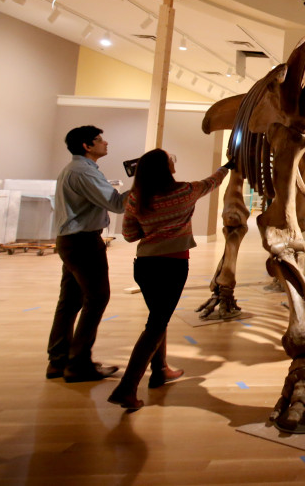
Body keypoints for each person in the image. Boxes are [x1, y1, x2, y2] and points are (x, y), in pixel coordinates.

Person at [108, 148, 229, 410]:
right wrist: (227, 166)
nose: (174, 161)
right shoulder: (184, 192)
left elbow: (129, 235)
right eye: (170, 159)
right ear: (164, 168)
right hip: (172, 266)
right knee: (155, 324)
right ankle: (127, 387)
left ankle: (161, 369)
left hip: (144, 265)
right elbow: (212, 182)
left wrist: (153, 227)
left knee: (158, 317)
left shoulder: (136, 197)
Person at [48, 125, 130, 383]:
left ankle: (58, 360)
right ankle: (79, 363)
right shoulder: (83, 171)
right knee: (97, 298)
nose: (105, 143)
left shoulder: (77, 169)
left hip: (72, 241)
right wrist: (143, 182)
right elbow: (117, 204)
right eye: (99, 139)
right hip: (83, 242)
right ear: (87, 146)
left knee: (70, 301)